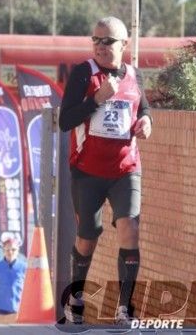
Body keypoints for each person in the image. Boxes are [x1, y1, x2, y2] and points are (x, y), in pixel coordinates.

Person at [59, 16, 153, 325]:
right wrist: (95, 100)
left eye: (107, 41)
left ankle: (124, 307)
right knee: (87, 238)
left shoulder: (134, 75)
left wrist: (146, 123)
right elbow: (65, 121)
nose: (99, 46)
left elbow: (144, 108)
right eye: (95, 40)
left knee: (130, 228)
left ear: (124, 44)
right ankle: (76, 297)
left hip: (126, 169)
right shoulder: (84, 73)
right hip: (87, 172)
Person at [0, 238, 26, 319]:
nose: (10, 252)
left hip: (19, 309)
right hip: (1, 309)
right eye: (7, 250)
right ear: (3, 251)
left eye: (13, 250)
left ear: (18, 251)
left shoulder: (24, 267)